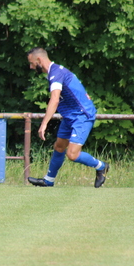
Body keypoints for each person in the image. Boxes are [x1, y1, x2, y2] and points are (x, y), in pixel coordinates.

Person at [26, 47, 109, 188]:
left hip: (82, 116)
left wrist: (44, 123)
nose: (31, 67)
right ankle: (48, 181)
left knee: (72, 154)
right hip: (70, 116)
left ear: (39, 60)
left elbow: (55, 99)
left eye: (32, 63)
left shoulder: (56, 73)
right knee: (59, 147)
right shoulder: (55, 72)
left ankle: (101, 166)